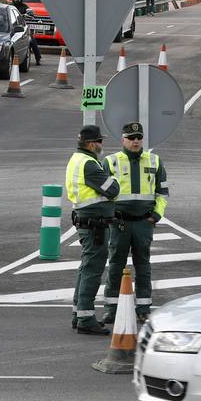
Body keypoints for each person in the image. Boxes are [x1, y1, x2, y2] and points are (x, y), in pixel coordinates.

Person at [102, 121, 169, 324]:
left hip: (143, 223)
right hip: (120, 223)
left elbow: (163, 192)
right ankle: (111, 308)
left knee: (143, 265)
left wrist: (155, 216)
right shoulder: (111, 162)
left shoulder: (155, 161)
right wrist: (110, 216)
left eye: (139, 137)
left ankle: (143, 307)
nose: (136, 141)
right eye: (131, 138)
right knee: (115, 265)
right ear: (123, 140)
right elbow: (102, 194)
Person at [67, 125, 119, 334]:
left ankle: (78, 313)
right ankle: (86, 319)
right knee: (92, 269)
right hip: (94, 223)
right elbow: (113, 190)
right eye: (99, 141)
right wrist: (112, 179)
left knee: (86, 267)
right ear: (90, 144)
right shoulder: (89, 165)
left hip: (87, 221)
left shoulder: (76, 159)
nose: (101, 145)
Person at [8, 0, 44, 66]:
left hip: (22, 27)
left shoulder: (25, 6)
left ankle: (38, 58)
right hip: (11, 26)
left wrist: (29, 14)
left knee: (32, 40)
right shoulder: (10, 6)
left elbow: (31, 13)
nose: (17, 0)